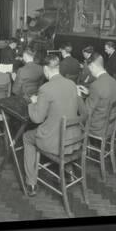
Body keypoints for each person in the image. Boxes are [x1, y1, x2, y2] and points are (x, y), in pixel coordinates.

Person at [23, 54, 87, 196]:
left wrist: (32, 103)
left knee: (27, 137)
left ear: (46, 69)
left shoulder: (45, 89)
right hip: (73, 139)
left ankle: (31, 183)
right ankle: (68, 172)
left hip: (54, 141)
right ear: (58, 68)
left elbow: (37, 118)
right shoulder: (71, 84)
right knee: (61, 126)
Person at [77, 53, 116, 139]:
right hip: (110, 126)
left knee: (72, 120)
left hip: (97, 128)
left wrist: (78, 96)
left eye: (89, 68)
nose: (90, 71)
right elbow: (103, 96)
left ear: (93, 66)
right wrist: (89, 92)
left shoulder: (96, 85)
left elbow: (85, 112)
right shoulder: (114, 82)